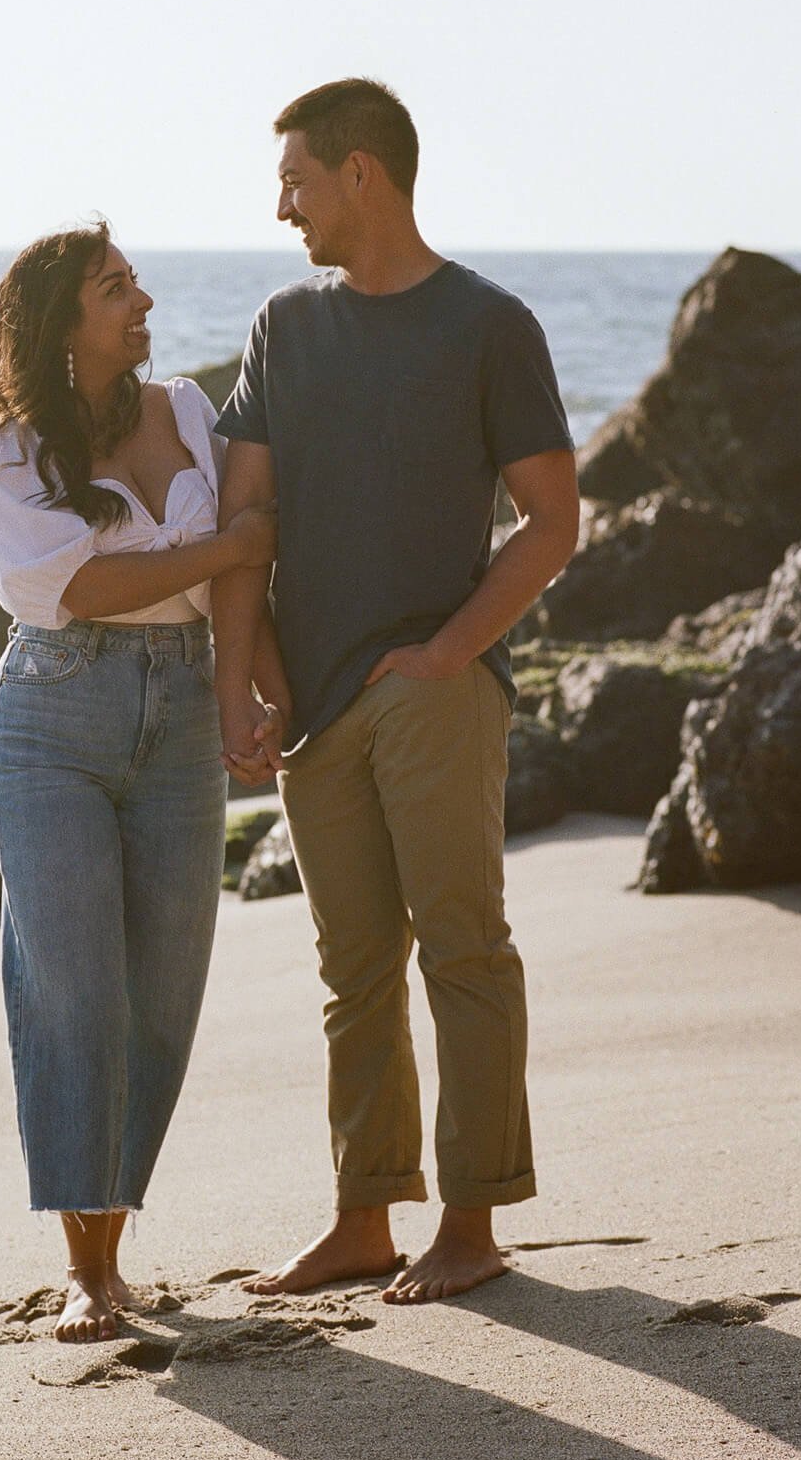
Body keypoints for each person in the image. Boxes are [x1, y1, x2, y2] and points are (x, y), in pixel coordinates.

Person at [210, 80, 579, 1304]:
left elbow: (551, 517)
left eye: (296, 180)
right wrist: (248, 682)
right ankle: (362, 1216)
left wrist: (448, 653)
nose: (281, 206)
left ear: (360, 173)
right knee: (351, 973)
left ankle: (471, 1221)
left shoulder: (486, 323)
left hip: (433, 687)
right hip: (313, 705)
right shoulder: (281, 325)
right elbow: (243, 522)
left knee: (462, 951)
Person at [0, 225, 277, 1342]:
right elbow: (71, 585)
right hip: (52, 719)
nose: (143, 302)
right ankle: (87, 1268)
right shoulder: (11, 452)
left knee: (163, 991)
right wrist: (222, 551)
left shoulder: (185, 408)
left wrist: (252, 691)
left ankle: (113, 1235)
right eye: (114, 288)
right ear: (59, 321)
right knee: (75, 986)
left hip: (180, 710)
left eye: (133, 283)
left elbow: (248, 567)